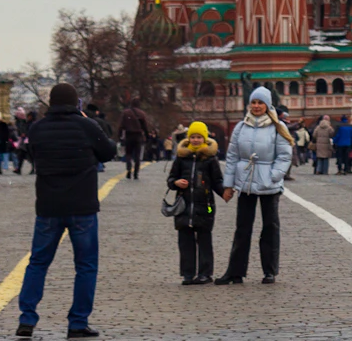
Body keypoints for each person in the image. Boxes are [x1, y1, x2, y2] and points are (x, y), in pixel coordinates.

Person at [16, 82, 118, 337]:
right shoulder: (86, 125)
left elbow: (31, 154)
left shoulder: (38, 127)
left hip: (49, 205)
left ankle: (27, 318)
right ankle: (78, 322)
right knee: (85, 265)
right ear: (75, 103)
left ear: (51, 102)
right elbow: (108, 152)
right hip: (82, 205)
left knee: (38, 262)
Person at [215, 87, 293, 286]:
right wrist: (229, 185)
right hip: (245, 183)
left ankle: (269, 271)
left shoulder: (277, 127)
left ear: (267, 105)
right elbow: (232, 156)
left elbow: (284, 156)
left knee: (270, 228)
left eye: (260, 103)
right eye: (254, 102)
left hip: (269, 184)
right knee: (242, 228)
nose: (256, 106)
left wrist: (273, 176)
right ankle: (235, 272)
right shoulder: (241, 127)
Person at [168, 121, 225, 284]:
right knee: (185, 241)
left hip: (206, 206)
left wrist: (225, 193)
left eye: (199, 137)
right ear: (188, 138)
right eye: (193, 137)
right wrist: (176, 183)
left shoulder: (210, 159)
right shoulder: (181, 158)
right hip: (183, 206)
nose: (195, 140)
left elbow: (217, 181)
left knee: (205, 239)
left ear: (204, 138)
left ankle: (205, 273)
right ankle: (188, 273)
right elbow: (171, 179)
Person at [119, 102, 154, 180]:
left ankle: (128, 169)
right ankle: (136, 173)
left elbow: (121, 126)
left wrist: (120, 136)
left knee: (128, 154)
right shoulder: (141, 113)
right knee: (137, 155)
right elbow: (145, 127)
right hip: (138, 136)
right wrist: (147, 137)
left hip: (128, 135)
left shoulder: (125, 113)